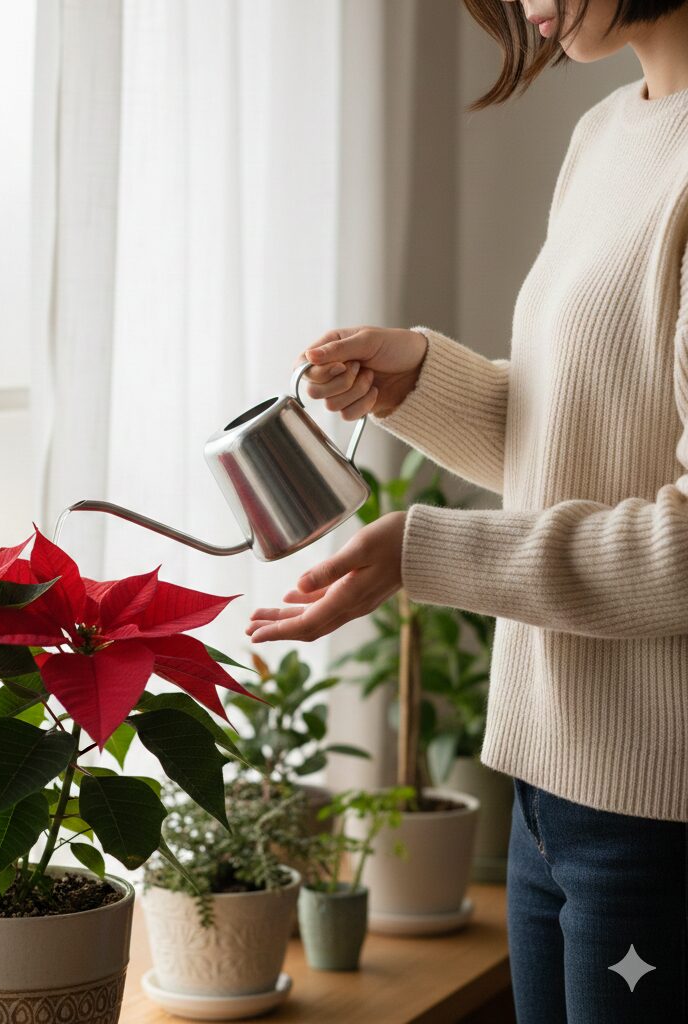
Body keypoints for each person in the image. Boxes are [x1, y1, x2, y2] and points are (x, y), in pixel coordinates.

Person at [247, 2, 688, 1021]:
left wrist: (425, 551)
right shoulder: (605, 135)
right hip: (546, 791)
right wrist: (423, 381)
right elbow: (575, 449)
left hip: (657, 823)